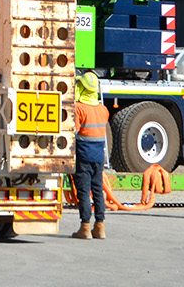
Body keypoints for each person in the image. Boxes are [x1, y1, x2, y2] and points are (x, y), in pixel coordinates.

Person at [71, 71, 109, 240]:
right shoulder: (103, 109)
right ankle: (100, 227)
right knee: (98, 190)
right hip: (98, 156)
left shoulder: (79, 108)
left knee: (84, 191)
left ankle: (85, 227)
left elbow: (74, 132)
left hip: (83, 154)